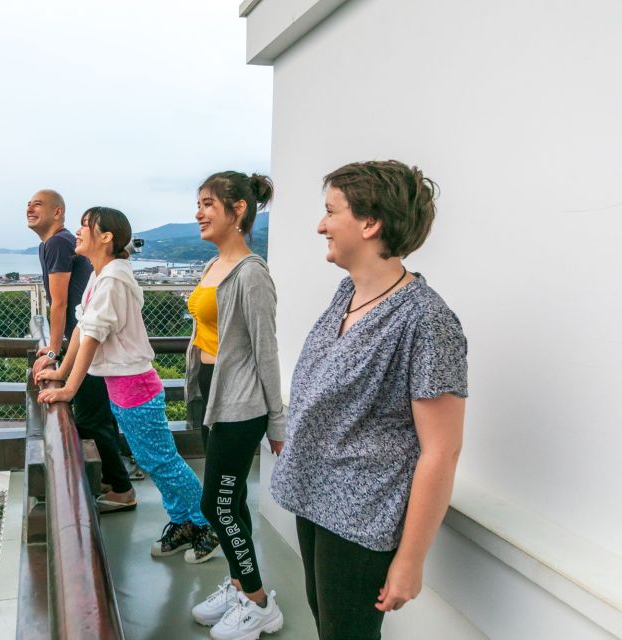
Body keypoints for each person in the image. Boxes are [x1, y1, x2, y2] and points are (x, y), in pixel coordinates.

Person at [270, 160, 468, 640]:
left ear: (369, 222)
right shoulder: (347, 294)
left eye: (330, 211)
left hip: (361, 519)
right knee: (326, 625)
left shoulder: (426, 321)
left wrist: (410, 559)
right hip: (314, 502)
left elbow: (441, 450)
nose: (321, 225)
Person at [37, 206, 220, 563]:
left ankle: (205, 523)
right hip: (124, 388)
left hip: (135, 387)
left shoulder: (114, 279)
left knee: (163, 461)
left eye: (85, 226)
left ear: (106, 237)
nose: (77, 232)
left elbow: (91, 336)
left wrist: (68, 388)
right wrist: (60, 373)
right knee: (154, 461)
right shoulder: (100, 273)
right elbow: (81, 327)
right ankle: (183, 521)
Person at [185, 171, 286, 640]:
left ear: (238, 209)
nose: (200, 212)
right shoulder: (214, 265)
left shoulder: (252, 274)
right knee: (233, 502)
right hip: (212, 394)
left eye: (209, 203)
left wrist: (277, 422)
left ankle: (260, 603)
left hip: (241, 406)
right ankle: (242, 585)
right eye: (198, 203)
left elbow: (267, 351)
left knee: (217, 504)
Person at [26, 190, 136, 512]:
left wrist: (53, 351)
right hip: (87, 345)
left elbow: (60, 304)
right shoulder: (68, 253)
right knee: (96, 417)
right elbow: (79, 317)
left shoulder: (58, 243)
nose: (30, 208)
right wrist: (59, 364)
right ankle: (113, 481)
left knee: (93, 417)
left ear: (57, 211)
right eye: (28, 204)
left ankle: (121, 486)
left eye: (38, 204)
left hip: (94, 351)